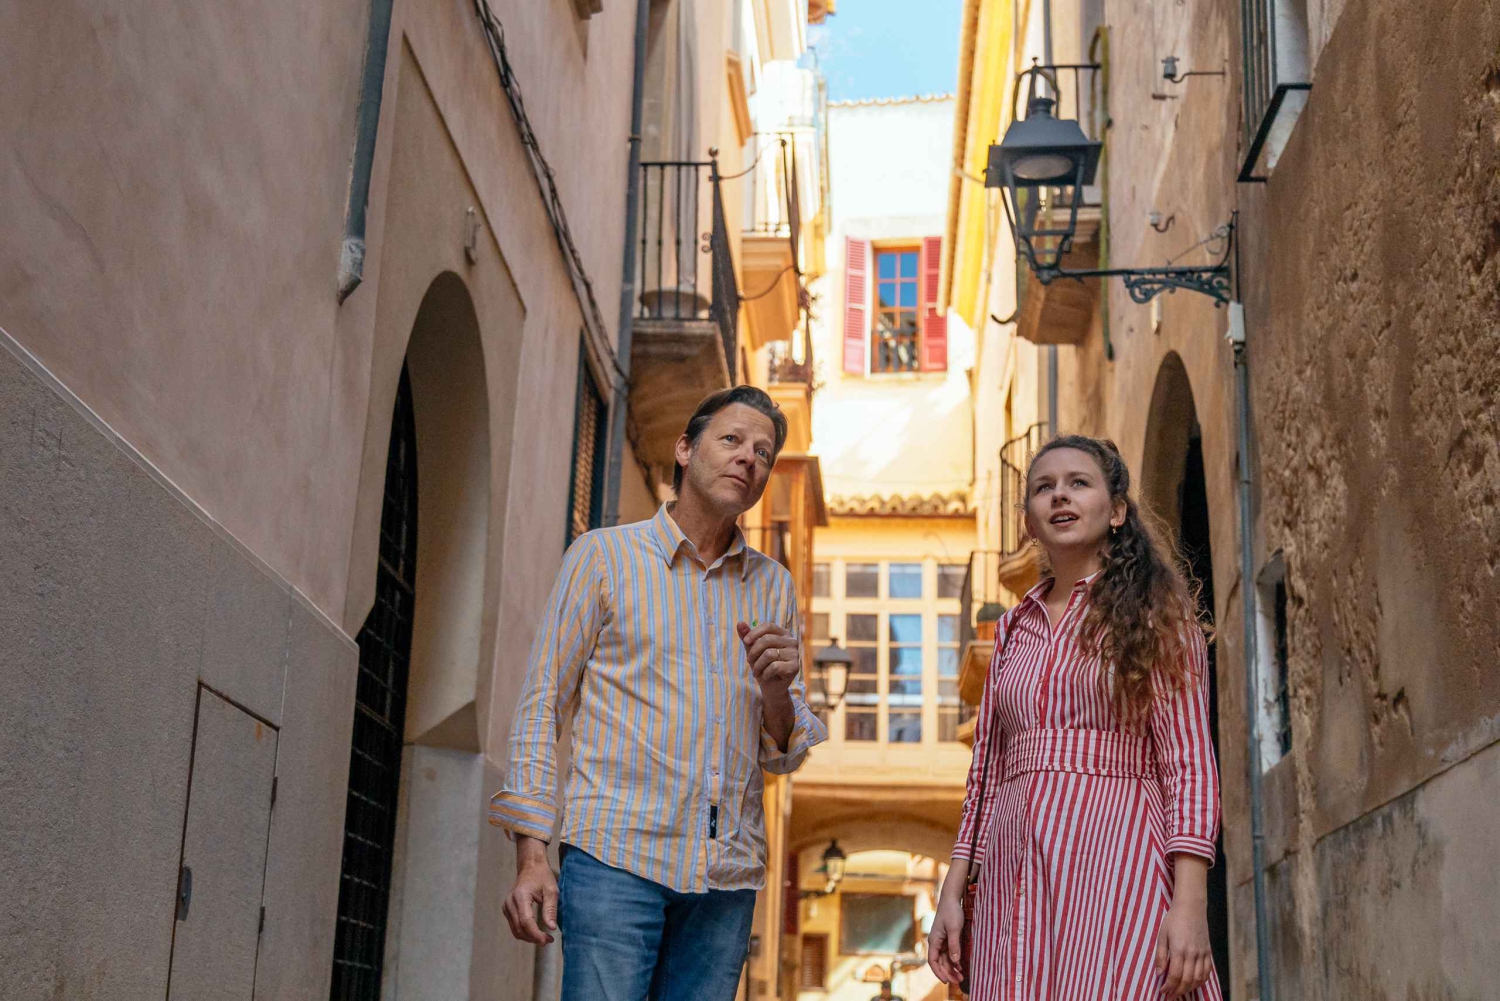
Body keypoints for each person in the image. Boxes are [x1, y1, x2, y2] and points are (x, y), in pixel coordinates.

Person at [489, 385, 828, 1001]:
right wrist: (532, 854)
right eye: (732, 440)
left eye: (763, 453)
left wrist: (777, 691)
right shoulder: (602, 557)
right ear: (685, 448)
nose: (748, 458)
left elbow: (782, 752)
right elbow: (542, 704)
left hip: (725, 878)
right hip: (614, 860)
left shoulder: (773, 586)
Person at [928, 435, 1222, 999]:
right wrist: (953, 890)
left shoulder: (1158, 616)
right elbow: (985, 774)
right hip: (1013, 870)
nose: (1059, 495)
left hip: (1120, 862)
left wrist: (1190, 904)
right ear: (1029, 523)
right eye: (1044, 487)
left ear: (1116, 512)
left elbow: (1189, 766)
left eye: (1078, 483)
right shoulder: (1011, 630)